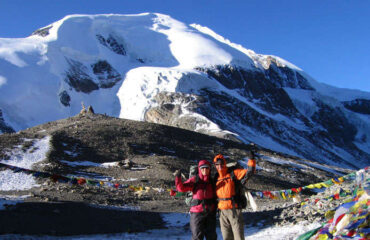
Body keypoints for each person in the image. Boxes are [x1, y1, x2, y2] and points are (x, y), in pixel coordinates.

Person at [213, 151, 256, 240]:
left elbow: (249, 172)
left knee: (238, 237)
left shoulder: (233, 173)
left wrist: (251, 160)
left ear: (224, 163)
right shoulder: (216, 178)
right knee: (226, 237)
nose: (219, 166)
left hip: (234, 210)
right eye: (217, 164)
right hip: (222, 212)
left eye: (221, 164)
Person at [174, 160, 217, 240]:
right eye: (202, 168)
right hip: (197, 213)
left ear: (209, 169)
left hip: (210, 213)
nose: (205, 170)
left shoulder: (212, 181)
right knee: (197, 237)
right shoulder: (195, 180)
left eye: (207, 168)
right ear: (199, 169)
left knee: (212, 237)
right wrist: (178, 177)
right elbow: (181, 188)